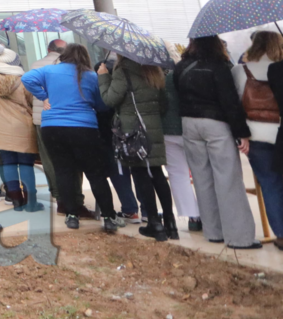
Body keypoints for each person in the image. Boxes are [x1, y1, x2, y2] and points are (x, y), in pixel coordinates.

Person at [22, 43, 118, 232]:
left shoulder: (49, 71)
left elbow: (27, 78)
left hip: (52, 127)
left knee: (63, 171)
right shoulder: (90, 76)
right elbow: (101, 105)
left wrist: (44, 96)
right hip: (84, 128)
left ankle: (71, 215)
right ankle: (108, 217)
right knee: (95, 173)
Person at [175, 36, 261, 249]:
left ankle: (213, 233)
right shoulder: (219, 66)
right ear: (215, 44)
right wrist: (241, 132)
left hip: (188, 124)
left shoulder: (181, 67)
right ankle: (240, 238)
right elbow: (229, 102)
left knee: (202, 179)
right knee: (228, 179)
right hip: (215, 124)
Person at [99, 54, 174, 240]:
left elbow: (109, 99)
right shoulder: (155, 70)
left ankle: (154, 223)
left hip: (133, 131)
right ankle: (170, 224)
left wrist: (103, 77)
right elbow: (163, 104)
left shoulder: (123, 71)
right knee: (157, 174)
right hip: (153, 128)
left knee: (141, 175)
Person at [235, 31, 283, 248]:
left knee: (270, 185)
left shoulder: (240, 70)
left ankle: (281, 235)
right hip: (279, 131)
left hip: (255, 135)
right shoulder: (279, 67)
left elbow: (234, 104)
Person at [0, 44, 41, 211]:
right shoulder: (24, 80)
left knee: (8, 163)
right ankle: (31, 202)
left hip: (0, 128)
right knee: (26, 165)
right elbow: (33, 102)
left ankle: (16, 201)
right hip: (23, 127)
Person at [161, 64, 202, 232]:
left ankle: (193, 217)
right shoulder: (191, 74)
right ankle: (209, 213)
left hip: (168, 131)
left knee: (178, 175)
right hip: (191, 128)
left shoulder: (161, 80)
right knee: (201, 173)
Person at [28, 39, 66, 206]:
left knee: (48, 158)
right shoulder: (67, 67)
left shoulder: (36, 65)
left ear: (48, 49)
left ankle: (57, 193)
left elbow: (29, 94)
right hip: (65, 119)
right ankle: (70, 193)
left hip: (41, 119)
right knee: (66, 157)